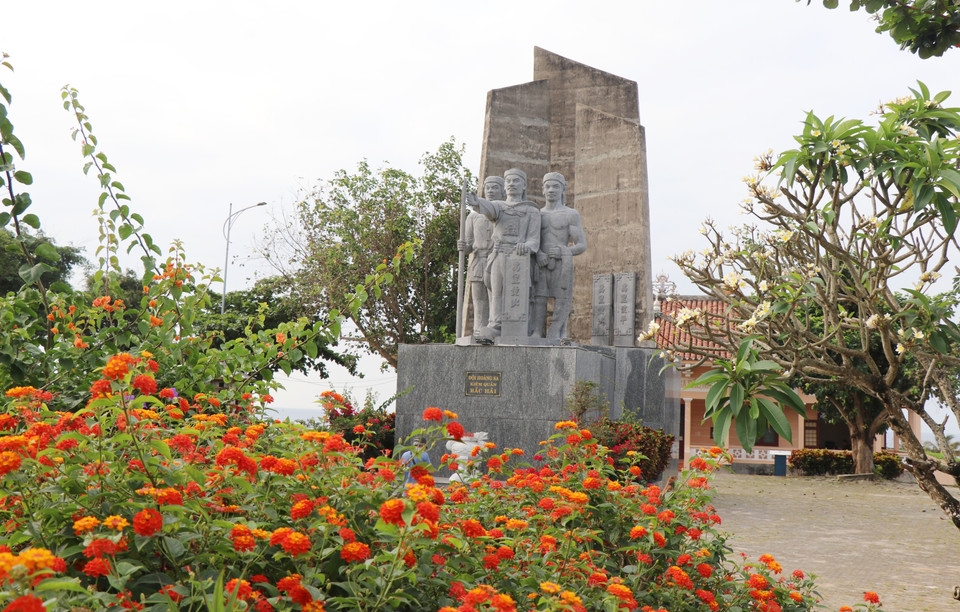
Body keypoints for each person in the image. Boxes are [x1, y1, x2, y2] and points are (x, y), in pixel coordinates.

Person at [464, 168, 540, 342]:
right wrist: (477, 203)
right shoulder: (499, 207)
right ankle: (495, 325)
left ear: (524, 185)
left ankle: (520, 327)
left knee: (519, 294)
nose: (512, 184)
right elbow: (489, 209)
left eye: (516, 181)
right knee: (496, 291)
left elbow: (534, 240)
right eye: (509, 182)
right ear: (505, 187)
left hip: (519, 258)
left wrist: (526, 246)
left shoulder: (531, 210)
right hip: (499, 255)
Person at [532, 172, 586, 338]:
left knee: (561, 298)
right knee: (539, 298)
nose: (551, 190)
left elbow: (582, 245)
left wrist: (564, 251)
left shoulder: (570, 214)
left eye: (555, 186)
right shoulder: (537, 214)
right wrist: (539, 253)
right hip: (541, 262)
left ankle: (557, 331)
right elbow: (531, 239)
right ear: (542, 190)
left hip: (562, 264)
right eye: (547, 186)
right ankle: (536, 331)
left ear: (563, 188)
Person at [457, 177, 501, 336]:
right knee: (479, 301)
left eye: (495, 187)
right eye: (488, 187)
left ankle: (493, 330)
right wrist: (464, 247)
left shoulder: (503, 212)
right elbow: (469, 244)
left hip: (496, 260)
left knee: (495, 298)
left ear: (502, 191)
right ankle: (478, 330)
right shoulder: (473, 217)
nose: (490, 190)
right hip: (479, 261)